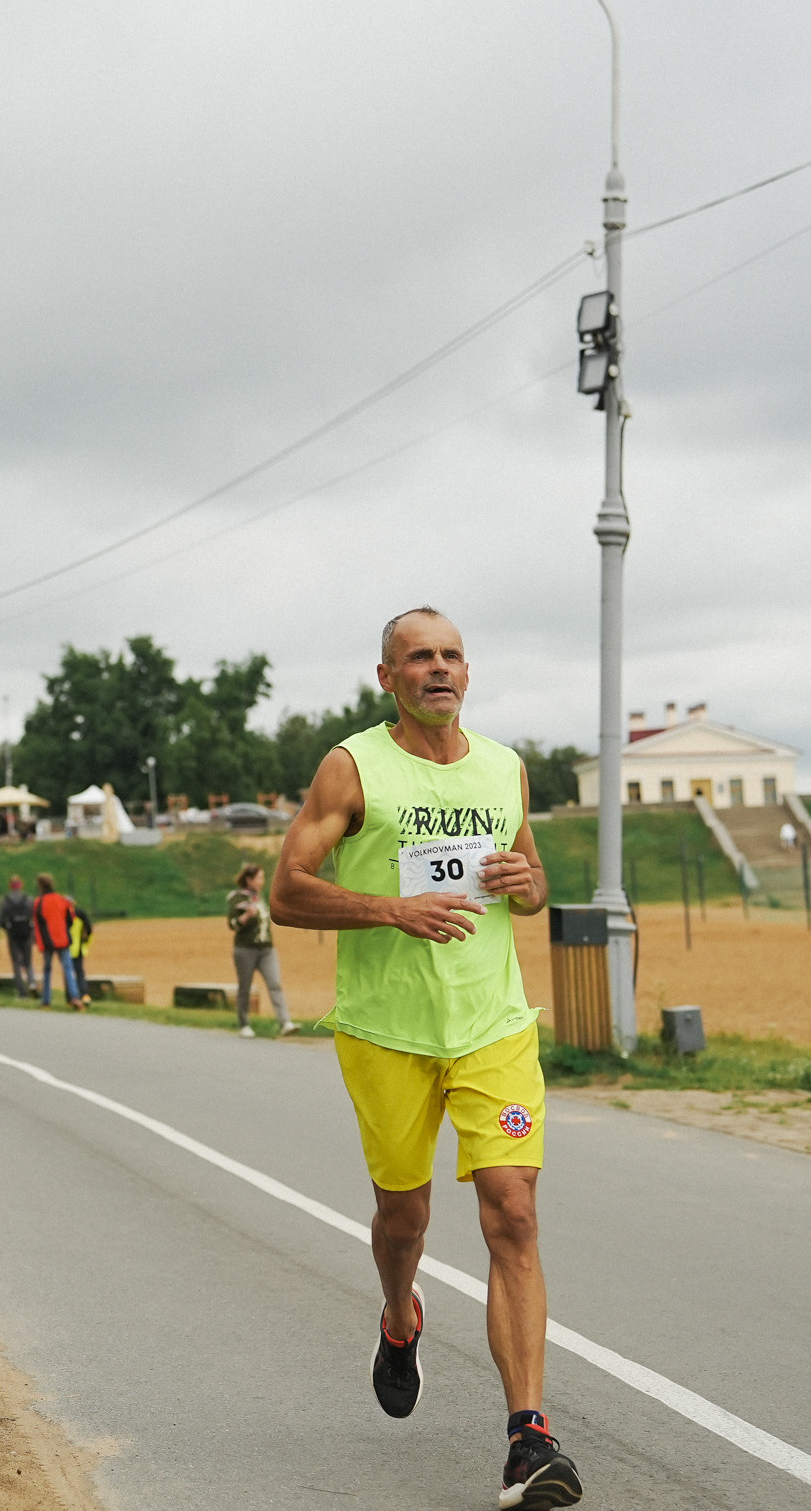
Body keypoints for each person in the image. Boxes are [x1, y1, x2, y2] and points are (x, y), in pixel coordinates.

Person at [272, 607, 578, 1510]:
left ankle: (530, 1439)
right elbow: (289, 890)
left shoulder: (505, 767)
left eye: (450, 656)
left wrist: (531, 886)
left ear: (468, 674)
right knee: (401, 1218)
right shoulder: (353, 766)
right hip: (387, 1033)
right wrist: (391, 910)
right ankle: (399, 1316)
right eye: (418, 658)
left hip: (494, 1027)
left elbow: (528, 882)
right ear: (387, 678)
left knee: (512, 1214)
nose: (437, 670)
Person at [227, 863, 296, 1038]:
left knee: (275, 984)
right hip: (245, 950)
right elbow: (232, 925)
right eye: (259, 877)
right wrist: (246, 916)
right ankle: (244, 1024)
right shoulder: (237, 898)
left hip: (266, 949)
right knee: (245, 987)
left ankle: (285, 1022)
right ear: (249, 880)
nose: (262, 881)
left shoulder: (259, 897)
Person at [32, 873, 82, 1010]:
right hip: (63, 939)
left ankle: (46, 1001)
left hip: (47, 942)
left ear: (40, 885)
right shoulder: (62, 900)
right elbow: (70, 919)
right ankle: (75, 997)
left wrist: (40, 943)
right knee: (68, 968)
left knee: (47, 970)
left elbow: (38, 925)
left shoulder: (39, 902)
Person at [0, 875, 37, 997]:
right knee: (28, 962)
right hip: (27, 933)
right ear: (21, 885)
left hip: (13, 934)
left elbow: (0, 920)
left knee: (16, 963)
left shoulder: (6, 900)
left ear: (10, 885)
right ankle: (32, 983)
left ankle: (22, 991)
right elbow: (34, 916)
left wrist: (8, 928)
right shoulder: (28, 899)